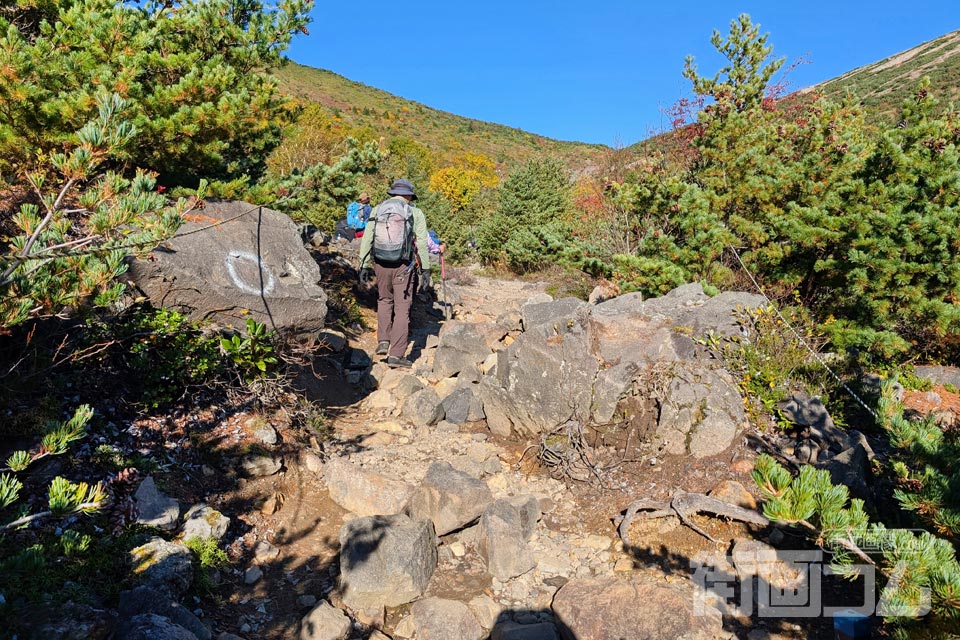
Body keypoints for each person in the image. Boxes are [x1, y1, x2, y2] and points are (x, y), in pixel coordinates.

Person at [357, 179, 431, 368]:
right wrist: (425, 269)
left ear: (393, 193)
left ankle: (383, 340)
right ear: (409, 196)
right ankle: (396, 355)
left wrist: (364, 264)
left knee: (384, 300)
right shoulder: (415, 212)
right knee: (402, 308)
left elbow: (367, 237)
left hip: (380, 263)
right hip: (403, 266)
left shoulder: (378, 209)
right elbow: (421, 242)